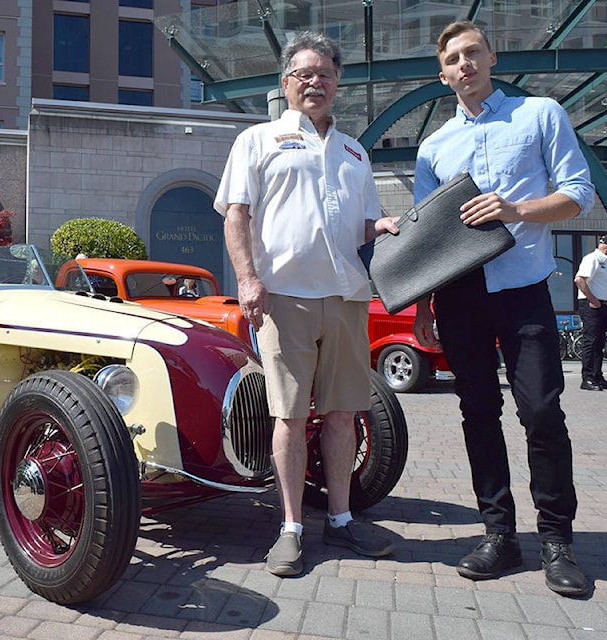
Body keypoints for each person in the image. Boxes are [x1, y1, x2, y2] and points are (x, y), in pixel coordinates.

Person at [411, 20, 595, 597]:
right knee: (477, 413)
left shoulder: (540, 115)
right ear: (443, 76)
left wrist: (514, 210)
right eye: (453, 60)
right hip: (459, 294)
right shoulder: (434, 147)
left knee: (540, 411)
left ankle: (557, 541)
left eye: (473, 53)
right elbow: (425, 237)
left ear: (491, 57)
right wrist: (421, 308)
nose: (464, 65)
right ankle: (499, 535)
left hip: (524, 288)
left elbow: (579, 193)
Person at [215, 30, 399, 577]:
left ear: (337, 83)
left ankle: (340, 520)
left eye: (325, 73)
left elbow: (364, 222)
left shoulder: (353, 150)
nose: (315, 81)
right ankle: (291, 528)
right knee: (290, 417)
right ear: (285, 83)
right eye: (304, 73)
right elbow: (236, 214)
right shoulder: (259, 139)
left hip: (346, 297)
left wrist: (384, 225)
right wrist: (248, 279)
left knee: (344, 414)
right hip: (284, 299)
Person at [574, 233, 607, 391]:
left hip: (603, 304)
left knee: (599, 342)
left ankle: (597, 376)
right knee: (591, 341)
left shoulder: (606, 261)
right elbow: (580, 280)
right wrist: (594, 300)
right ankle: (587, 378)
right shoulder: (593, 258)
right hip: (592, 305)